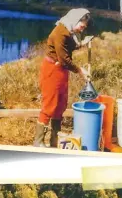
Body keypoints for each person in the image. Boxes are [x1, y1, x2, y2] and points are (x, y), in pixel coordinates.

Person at [33, 8, 93, 147]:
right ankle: (38, 142)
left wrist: (81, 43)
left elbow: (69, 47)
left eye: (84, 28)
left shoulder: (68, 31)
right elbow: (64, 58)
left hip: (61, 71)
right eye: (81, 26)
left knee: (60, 105)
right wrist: (80, 70)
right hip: (52, 70)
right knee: (50, 105)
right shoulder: (60, 32)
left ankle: (54, 141)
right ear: (75, 20)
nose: (81, 30)